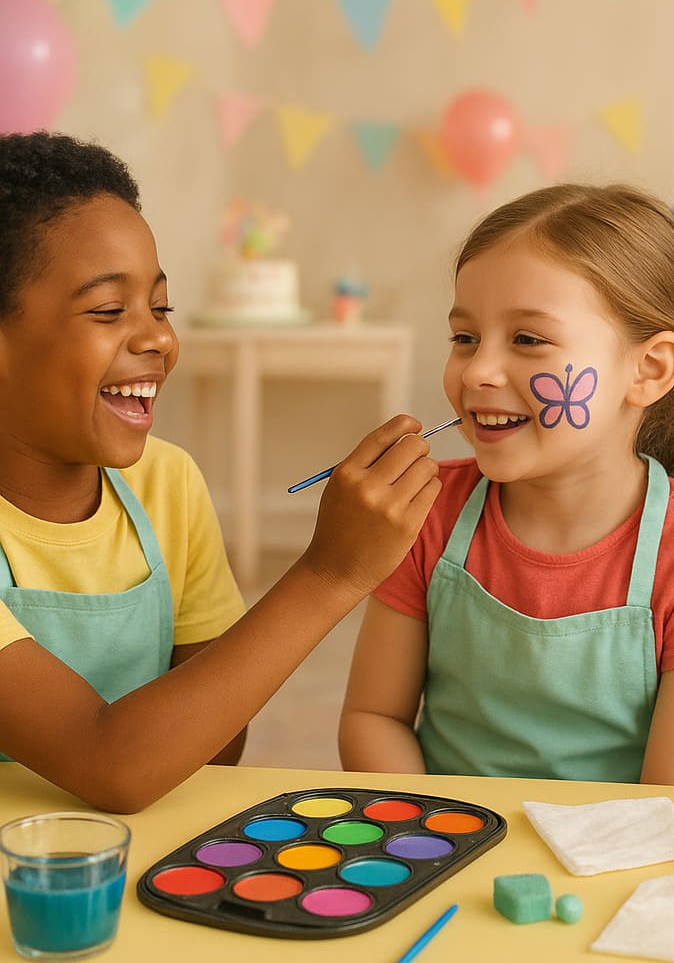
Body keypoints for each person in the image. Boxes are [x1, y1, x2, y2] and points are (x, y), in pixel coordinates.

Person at [0, 131, 440, 812]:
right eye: (110, 310)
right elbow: (110, 764)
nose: (159, 337)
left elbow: (220, 744)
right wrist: (330, 574)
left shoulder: (167, 483)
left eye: (161, 307)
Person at [339, 183, 674, 786]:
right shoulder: (423, 513)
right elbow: (373, 718)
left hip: (631, 841)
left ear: (649, 370)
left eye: (528, 340)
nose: (479, 372)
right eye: (465, 338)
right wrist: (433, 828)